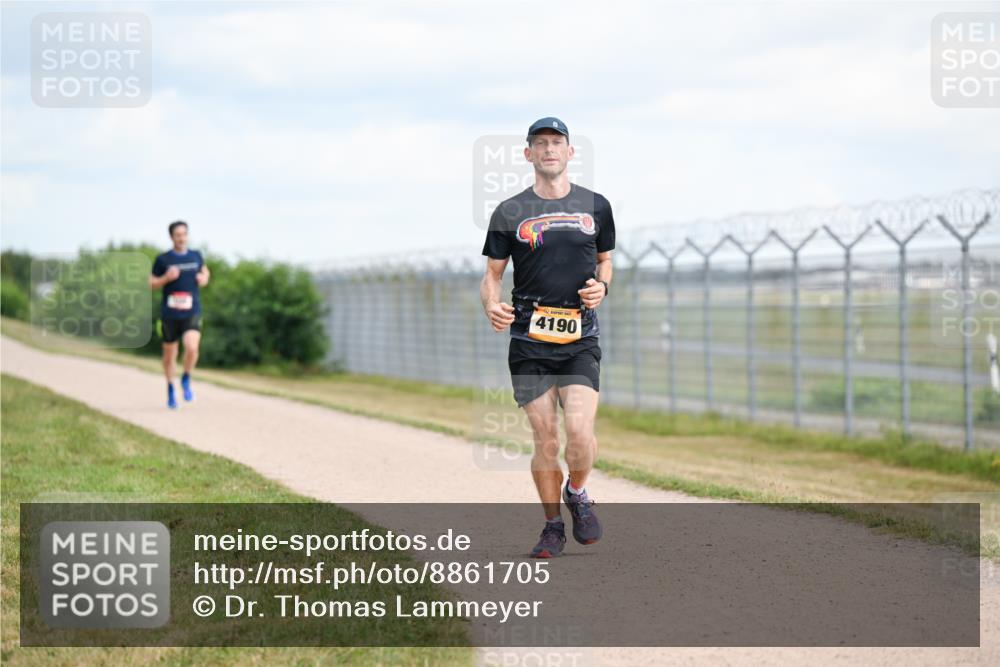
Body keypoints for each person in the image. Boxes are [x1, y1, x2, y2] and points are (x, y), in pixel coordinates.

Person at [480, 117, 614, 558]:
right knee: (547, 439)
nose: (549, 149)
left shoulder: (596, 206)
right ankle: (553, 525)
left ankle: (577, 490)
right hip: (529, 341)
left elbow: (605, 261)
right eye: (541, 144)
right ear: (529, 154)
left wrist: (603, 286)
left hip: (579, 338)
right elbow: (492, 275)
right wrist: (491, 302)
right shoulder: (509, 212)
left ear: (570, 152)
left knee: (579, 432)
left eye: (557, 142)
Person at [149, 220, 209, 409]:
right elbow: (151, 284)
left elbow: (205, 272)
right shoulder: (163, 260)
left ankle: (186, 377)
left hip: (192, 311)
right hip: (170, 314)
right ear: (172, 237)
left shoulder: (196, 255)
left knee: (192, 347)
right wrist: (166, 278)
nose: (182, 238)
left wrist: (204, 278)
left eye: (184, 234)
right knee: (169, 356)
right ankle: (170, 388)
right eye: (178, 235)